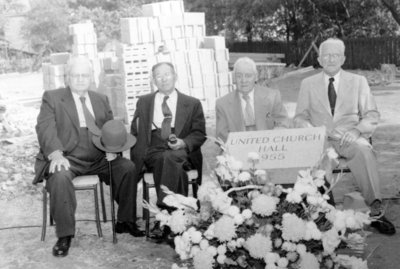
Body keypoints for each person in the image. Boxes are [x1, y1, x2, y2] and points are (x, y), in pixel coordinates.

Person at [34, 56, 144, 258]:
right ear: (68, 77)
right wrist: (56, 154)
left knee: (127, 167)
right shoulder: (53, 97)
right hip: (68, 157)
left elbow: (111, 129)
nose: (80, 79)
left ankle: (125, 221)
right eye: (75, 75)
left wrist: (113, 149)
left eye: (84, 75)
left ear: (91, 77)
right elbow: (44, 128)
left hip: (98, 158)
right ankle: (65, 235)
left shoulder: (100, 99)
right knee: (59, 176)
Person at [294, 38, 395, 235]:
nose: (330, 59)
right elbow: (299, 117)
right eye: (326, 55)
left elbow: (372, 115)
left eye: (335, 55)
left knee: (364, 152)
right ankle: (323, 212)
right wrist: (313, 132)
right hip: (322, 139)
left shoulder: (358, 82)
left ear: (343, 58)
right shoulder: (308, 83)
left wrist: (357, 130)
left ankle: (375, 211)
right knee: (319, 160)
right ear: (319, 59)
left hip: (349, 137)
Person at [130, 62, 206, 243]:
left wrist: (184, 143)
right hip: (153, 148)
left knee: (170, 158)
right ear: (153, 80)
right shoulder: (144, 102)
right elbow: (135, 130)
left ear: (175, 76)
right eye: (158, 75)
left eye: (167, 74)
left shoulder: (192, 103)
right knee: (166, 159)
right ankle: (176, 217)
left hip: (181, 148)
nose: (163, 79)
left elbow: (199, 134)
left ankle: (164, 215)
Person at [215, 57, 289, 142]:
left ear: (256, 77)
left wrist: (273, 137)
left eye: (248, 76)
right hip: (237, 151)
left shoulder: (273, 96)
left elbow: (284, 122)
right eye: (239, 76)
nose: (243, 80)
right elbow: (221, 135)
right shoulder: (222, 104)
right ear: (234, 78)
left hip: (267, 148)